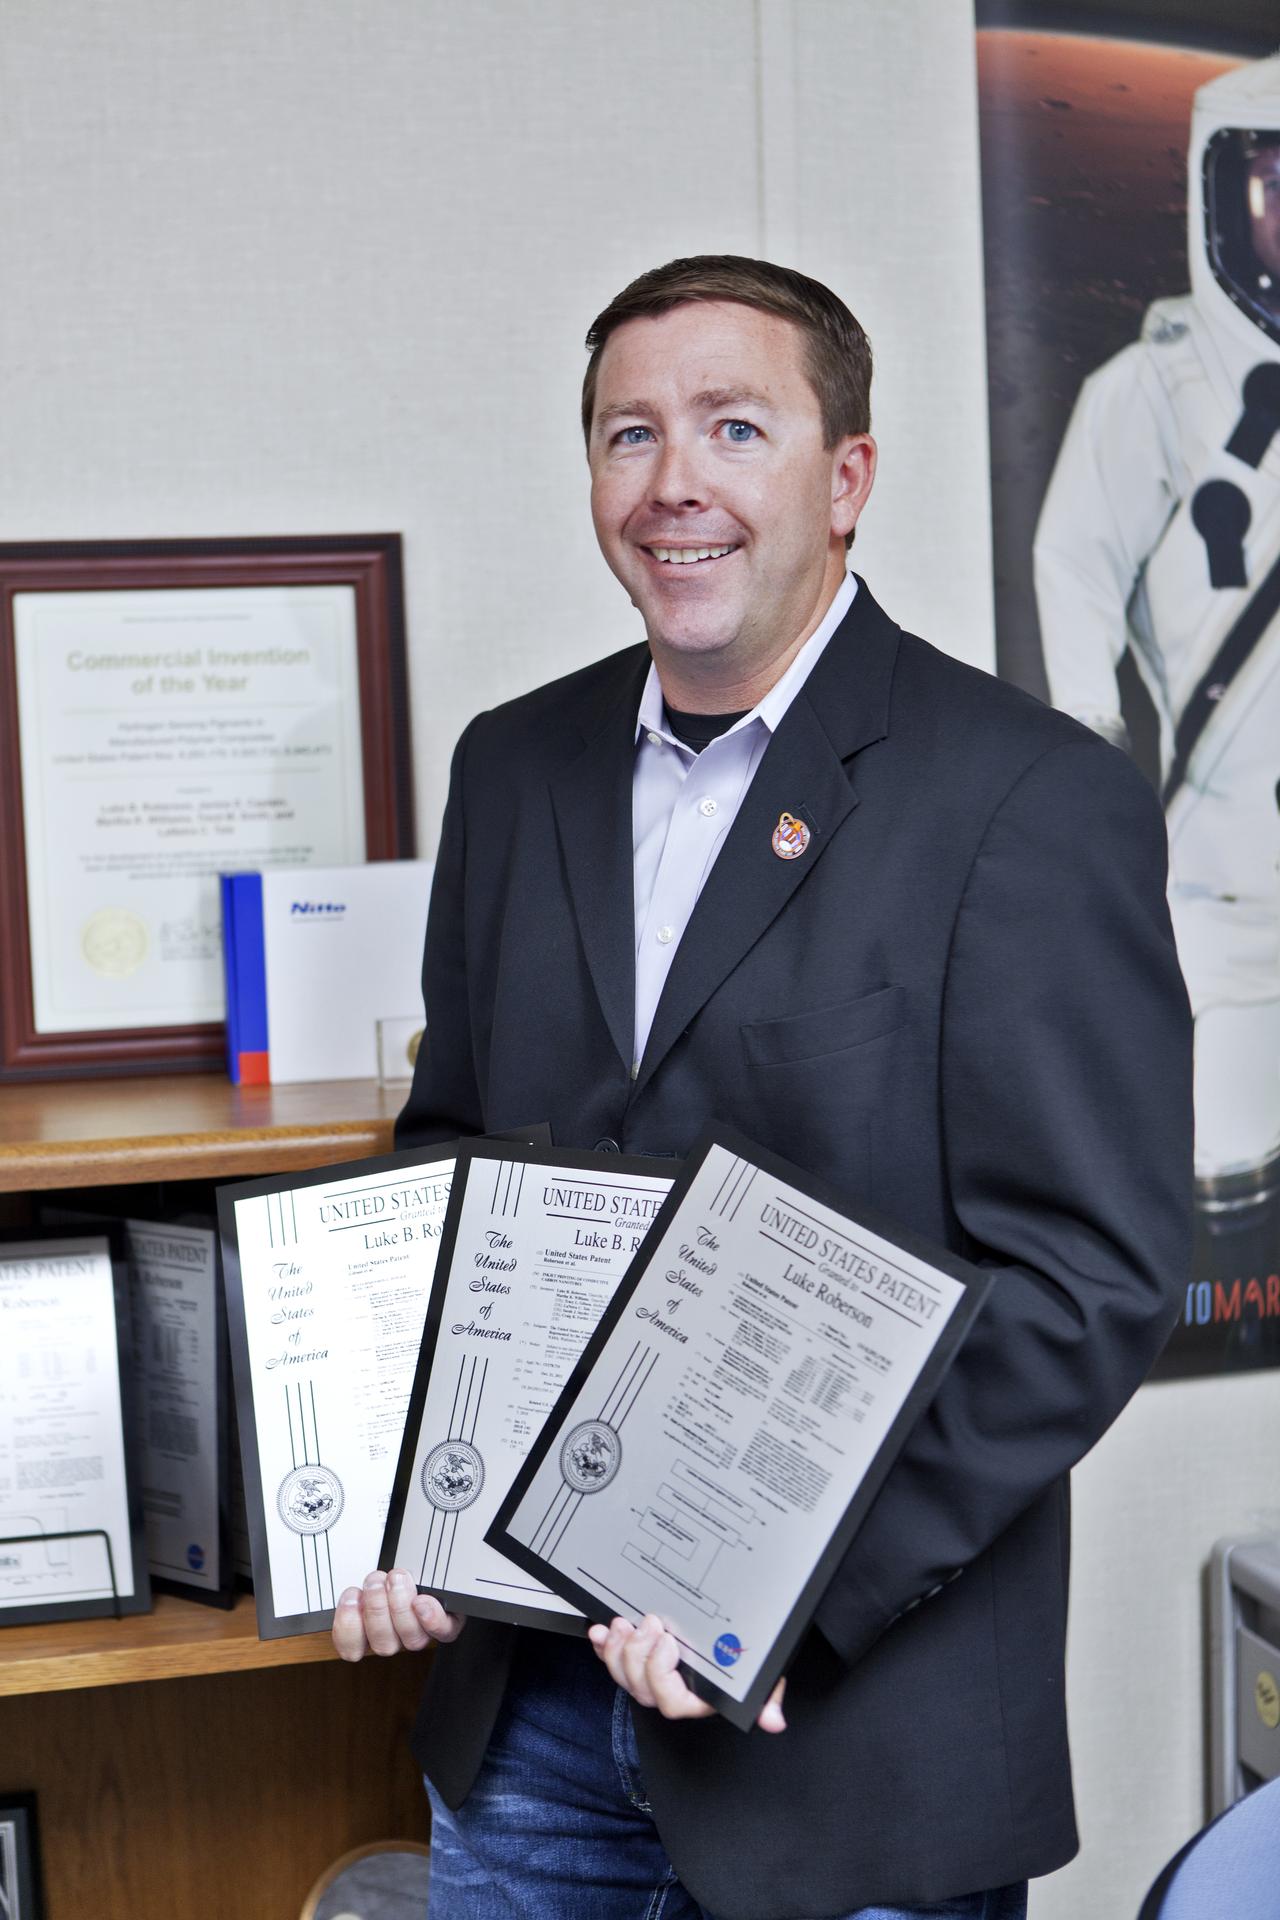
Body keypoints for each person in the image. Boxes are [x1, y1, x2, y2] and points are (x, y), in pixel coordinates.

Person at [334, 255, 1193, 1919]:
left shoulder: (1027, 799)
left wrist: (786, 1596)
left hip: (848, 1742)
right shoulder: (513, 768)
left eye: (735, 427)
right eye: (630, 434)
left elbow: (1087, 1283)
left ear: (846, 476)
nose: (676, 483)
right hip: (528, 1730)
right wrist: (400, 1501)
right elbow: (455, 1168)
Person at [1034, 56, 1280, 1316]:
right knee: (1227, 1212)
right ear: (1219, 192)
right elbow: (1072, 566)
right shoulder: (1148, 394)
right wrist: (1089, 757)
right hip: (1216, 884)